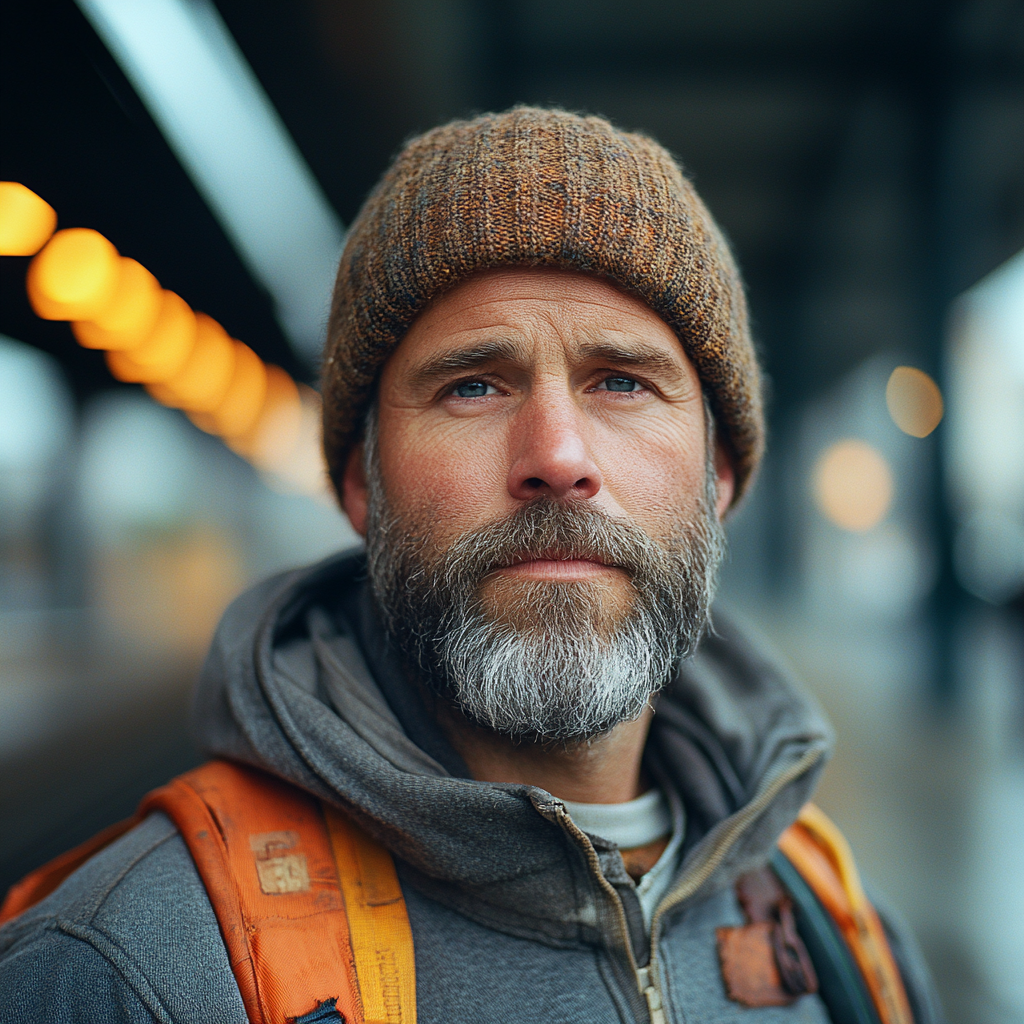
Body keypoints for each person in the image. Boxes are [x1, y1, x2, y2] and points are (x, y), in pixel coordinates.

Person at [0, 106, 944, 1024]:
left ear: (720, 474)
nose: (558, 455)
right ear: (362, 483)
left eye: (622, 380)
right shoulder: (122, 974)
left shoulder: (838, 930)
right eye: (473, 385)